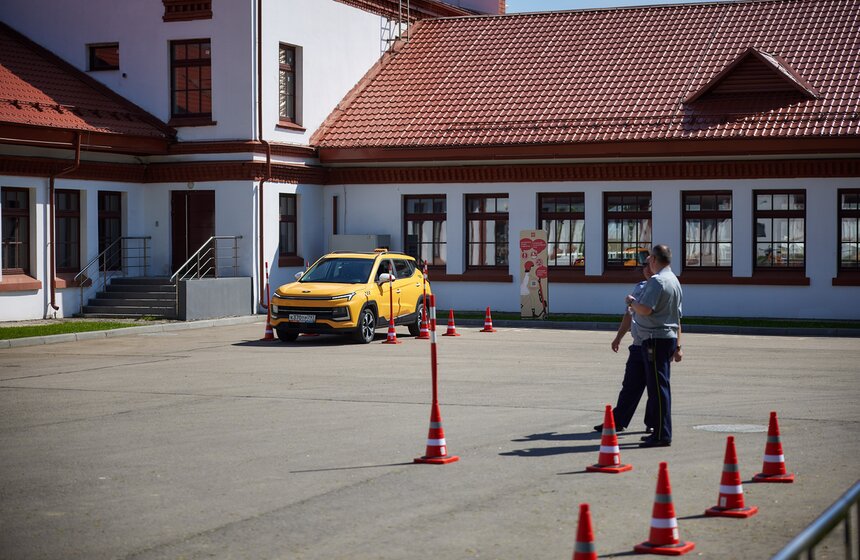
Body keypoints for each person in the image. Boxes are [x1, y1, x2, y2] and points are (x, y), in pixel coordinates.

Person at [627, 244, 683, 448]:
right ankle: (660, 430)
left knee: (658, 389)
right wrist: (678, 345)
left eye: (650, 258)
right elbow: (677, 316)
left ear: (654, 259)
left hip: (655, 339)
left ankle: (661, 434)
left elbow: (645, 310)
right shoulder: (674, 280)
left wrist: (632, 302)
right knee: (659, 387)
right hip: (665, 338)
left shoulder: (658, 281)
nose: (648, 261)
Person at [594, 266, 656, 434]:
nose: (648, 269)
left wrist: (678, 346)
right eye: (646, 266)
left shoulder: (662, 288)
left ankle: (653, 422)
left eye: (652, 264)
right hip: (637, 345)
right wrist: (618, 337)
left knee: (654, 385)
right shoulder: (640, 287)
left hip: (654, 344)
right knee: (630, 385)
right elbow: (629, 315)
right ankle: (618, 421)